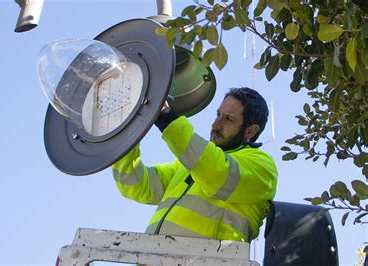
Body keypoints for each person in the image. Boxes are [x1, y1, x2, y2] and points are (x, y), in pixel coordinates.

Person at [111, 87, 278, 242]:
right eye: (218, 114)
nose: (215, 124)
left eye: (228, 119)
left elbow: (216, 172)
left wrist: (167, 118)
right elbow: (137, 186)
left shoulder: (262, 166)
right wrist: (127, 136)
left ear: (250, 131)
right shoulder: (189, 165)